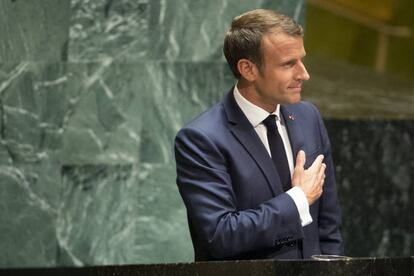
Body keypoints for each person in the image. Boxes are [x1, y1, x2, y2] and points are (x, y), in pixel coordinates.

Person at [174, 9, 343, 261]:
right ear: (248, 69)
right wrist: (297, 199)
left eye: (301, 60)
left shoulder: (308, 117)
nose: (303, 74)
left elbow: (328, 226)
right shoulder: (200, 139)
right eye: (288, 64)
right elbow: (222, 235)